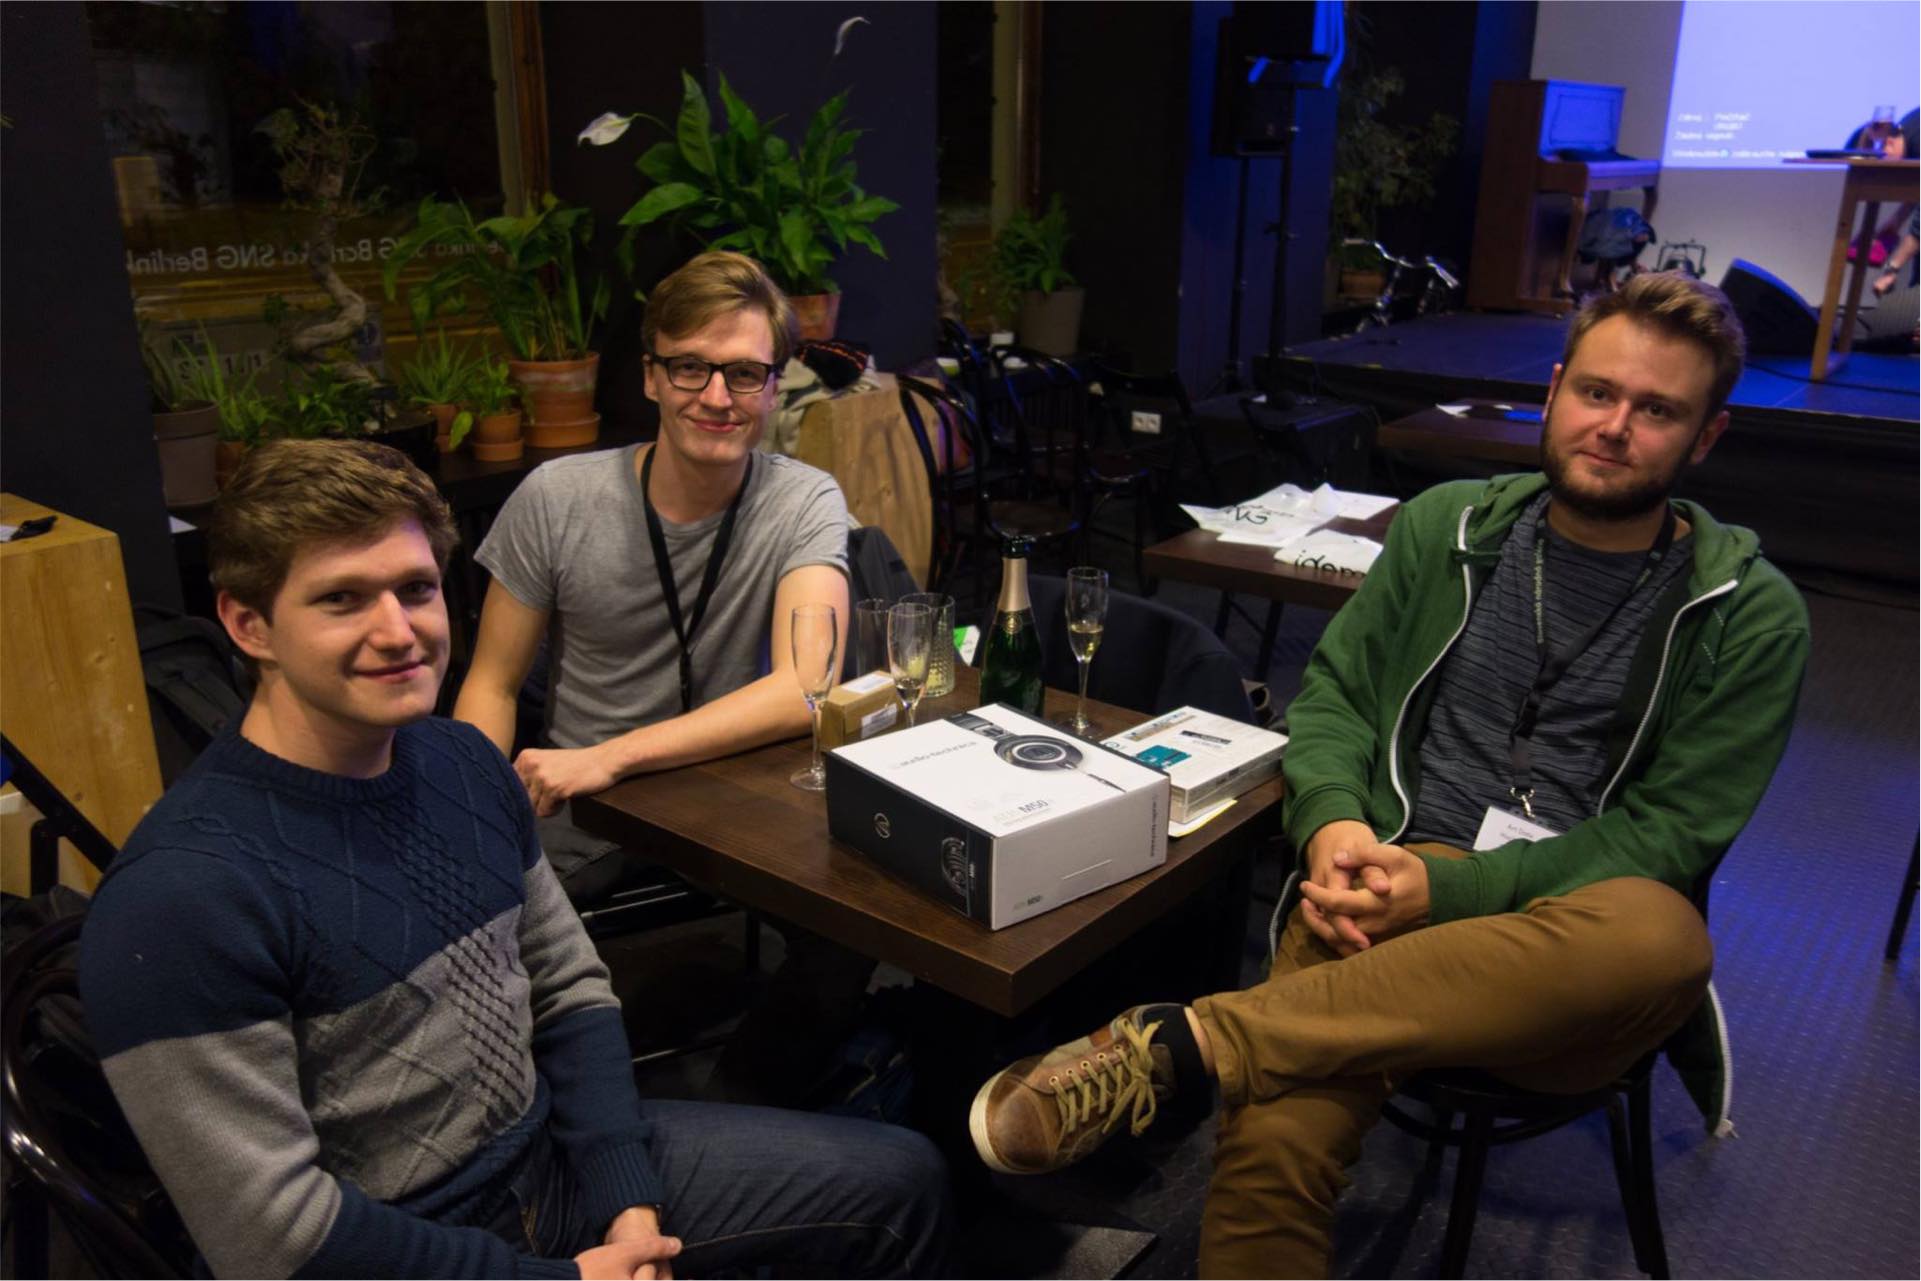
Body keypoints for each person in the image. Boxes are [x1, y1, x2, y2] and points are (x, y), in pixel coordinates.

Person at [967, 272, 1810, 1277]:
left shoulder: (1751, 615)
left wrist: (1449, 887)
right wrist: (1333, 827)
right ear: (1552, 390)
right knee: (1273, 1151)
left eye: (1656, 409)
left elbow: (1669, 838)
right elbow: (1333, 701)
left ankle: (1196, 1044)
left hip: (1560, 950)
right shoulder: (1443, 528)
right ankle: (1215, 1047)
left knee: (1666, 938)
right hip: (1372, 898)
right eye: (1596, 393)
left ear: (1704, 437)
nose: (1614, 426)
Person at [80, 440, 950, 1280]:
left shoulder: (462, 763)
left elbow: (568, 985)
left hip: (553, 1169)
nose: (398, 631)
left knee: (905, 1180)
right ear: (247, 622)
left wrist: (629, 1205)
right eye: (342, 600)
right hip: (403, 1244)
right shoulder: (180, 895)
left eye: (416, 588)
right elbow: (275, 1243)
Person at [453, 249, 871, 1105]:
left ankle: (738, 1121)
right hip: (585, 803)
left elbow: (808, 684)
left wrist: (615, 752)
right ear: (649, 376)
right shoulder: (558, 496)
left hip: (728, 793)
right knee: (477, 944)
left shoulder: (804, 499)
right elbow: (491, 684)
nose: (717, 397)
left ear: (771, 386)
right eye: (690, 367)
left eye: (745, 374)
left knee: (860, 926)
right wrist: (465, 815)